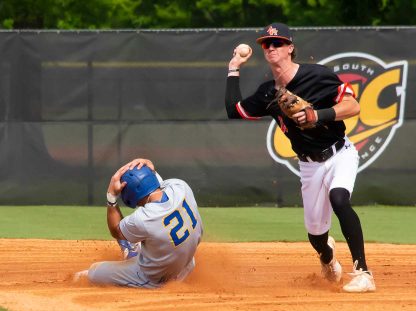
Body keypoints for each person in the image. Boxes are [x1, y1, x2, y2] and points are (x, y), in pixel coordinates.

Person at [224, 23, 375, 292]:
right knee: (317, 236)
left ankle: (363, 273)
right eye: (267, 44)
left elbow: (353, 106)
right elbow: (234, 110)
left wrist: (319, 115)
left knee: (339, 198)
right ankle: (328, 258)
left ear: (290, 48)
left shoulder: (318, 76)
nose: (271, 47)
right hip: (309, 164)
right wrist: (234, 68)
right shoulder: (268, 93)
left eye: (278, 43)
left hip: (340, 152)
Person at [73, 158, 203, 288]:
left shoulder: (144, 218)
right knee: (146, 232)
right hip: (186, 265)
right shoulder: (180, 186)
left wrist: (111, 196)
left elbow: (116, 230)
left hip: (156, 278)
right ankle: (134, 250)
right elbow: (159, 185)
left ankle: (132, 252)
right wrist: (150, 169)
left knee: (95, 271)